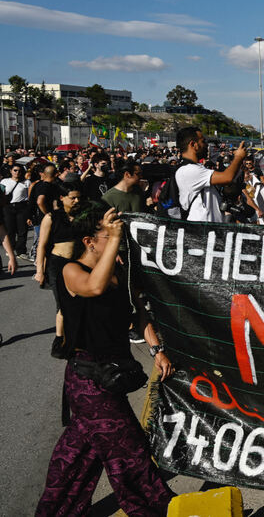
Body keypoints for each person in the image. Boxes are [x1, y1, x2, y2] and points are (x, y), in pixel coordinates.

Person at [36, 204, 174, 516]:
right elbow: (93, 287)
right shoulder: (71, 271)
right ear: (89, 241)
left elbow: (138, 311)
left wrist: (157, 350)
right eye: (109, 234)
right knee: (130, 450)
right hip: (88, 380)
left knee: (76, 456)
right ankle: (156, 509)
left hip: (112, 375)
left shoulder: (118, 271)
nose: (119, 238)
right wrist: (114, 239)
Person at [34, 181, 83, 357]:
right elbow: (42, 245)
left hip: (78, 264)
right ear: (62, 198)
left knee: (78, 300)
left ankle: (77, 339)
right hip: (58, 264)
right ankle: (60, 340)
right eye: (73, 198)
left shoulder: (82, 216)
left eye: (79, 197)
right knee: (63, 304)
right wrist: (40, 270)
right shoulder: (51, 217)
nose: (77, 201)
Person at [174, 127, 246, 223]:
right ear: (193, 144)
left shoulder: (197, 168)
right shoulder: (188, 170)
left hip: (211, 231)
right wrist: (239, 157)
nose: (206, 145)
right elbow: (227, 177)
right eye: (203, 141)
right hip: (200, 231)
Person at [1, 162, 30, 260]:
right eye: (15, 170)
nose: (17, 172)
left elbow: (28, 196)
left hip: (22, 206)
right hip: (8, 207)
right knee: (10, 229)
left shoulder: (26, 182)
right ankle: (11, 249)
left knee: (22, 230)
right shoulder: (5, 181)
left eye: (19, 171)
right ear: (10, 171)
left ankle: (21, 251)